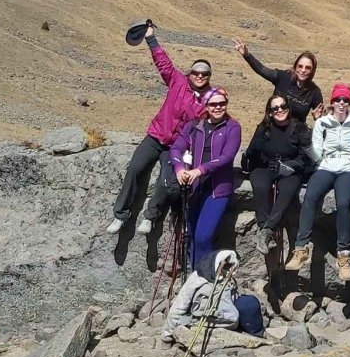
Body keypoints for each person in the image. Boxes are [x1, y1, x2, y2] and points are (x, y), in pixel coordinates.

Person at [107, 24, 208, 236]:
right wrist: (150, 38)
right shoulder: (178, 81)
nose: (200, 76)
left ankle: (150, 217)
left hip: (176, 146)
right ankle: (120, 215)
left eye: (204, 74)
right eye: (196, 72)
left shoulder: (208, 100)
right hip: (156, 136)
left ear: (208, 77)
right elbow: (162, 62)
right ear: (190, 73)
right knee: (135, 168)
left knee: (167, 179)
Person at [284, 83, 350, 279]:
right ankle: (300, 249)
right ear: (331, 102)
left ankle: (344, 256)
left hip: (348, 167)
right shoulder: (322, 123)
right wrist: (307, 145)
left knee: (343, 204)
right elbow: (316, 155)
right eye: (338, 99)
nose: (342, 103)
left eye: (346, 100)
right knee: (310, 198)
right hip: (325, 166)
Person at [169, 87, 242, 274]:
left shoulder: (232, 127)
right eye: (213, 104)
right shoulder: (194, 127)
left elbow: (227, 156)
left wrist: (200, 170)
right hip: (195, 189)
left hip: (217, 190)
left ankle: (205, 279)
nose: (218, 107)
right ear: (206, 106)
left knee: (203, 236)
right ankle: (195, 278)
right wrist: (179, 169)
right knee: (192, 236)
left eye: (222, 103)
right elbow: (176, 148)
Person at [240, 94, 314, 255]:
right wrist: (254, 148)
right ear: (270, 112)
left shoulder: (298, 127)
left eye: (283, 106)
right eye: (275, 108)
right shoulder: (263, 128)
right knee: (260, 186)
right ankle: (263, 228)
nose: (280, 110)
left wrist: (292, 165)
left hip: (290, 167)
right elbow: (251, 154)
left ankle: (267, 229)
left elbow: (305, 157)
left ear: (288, 108)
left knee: (288, 190)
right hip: (265, 165)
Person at [160, 249, 240, 344]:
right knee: (233, 318)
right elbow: (180, 305)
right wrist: (167, 336)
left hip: (222, 315)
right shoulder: (197, 279)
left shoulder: (226, 278)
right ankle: (190, 324)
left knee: (234, 318)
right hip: (201, 313)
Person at [233, 39, 324, 121]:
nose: (303, 70)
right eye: (300, 66)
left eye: (308, 68)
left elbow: (321, 117)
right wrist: (247, 55)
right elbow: (262, 70)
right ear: (295, 66)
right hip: (271, 129)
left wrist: (318, 118)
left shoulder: (314, 92)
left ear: (312, 70)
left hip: (295, 136)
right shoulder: (283, 77)